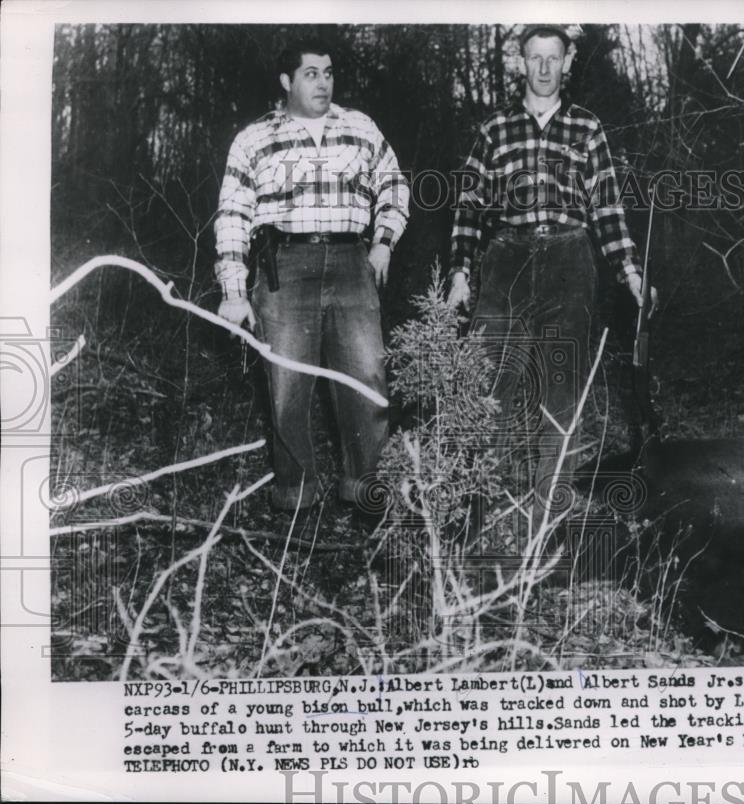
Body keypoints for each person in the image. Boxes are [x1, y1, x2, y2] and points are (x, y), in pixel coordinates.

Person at [447, 23, 655, 536]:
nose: (544, 68)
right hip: (505, 262)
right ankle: (479, 523)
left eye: (553, 58)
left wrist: (629, 271)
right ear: (521, 62)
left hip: (569, 262)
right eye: (534, 58)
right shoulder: (494, 129)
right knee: (489, 391)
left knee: (560, 399)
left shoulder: (587, 128)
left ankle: (547, 528)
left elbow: (606, 206)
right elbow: (469, 207)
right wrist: (459, 271)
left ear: (568, 61)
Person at [214, 37, 409, 515]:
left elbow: (394, 183)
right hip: (285, 267)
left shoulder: (359, 127)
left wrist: (383, 240)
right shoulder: (254, 139)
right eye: (311, 74)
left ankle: (366, 493)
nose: (324, 82)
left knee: (367, 380)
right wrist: (235, 292)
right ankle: (295, 501)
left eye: (328, 72)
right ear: (286, 81)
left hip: (351, 264)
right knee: (287, 386)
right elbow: (233, 215)